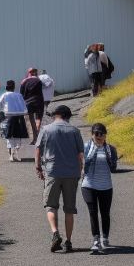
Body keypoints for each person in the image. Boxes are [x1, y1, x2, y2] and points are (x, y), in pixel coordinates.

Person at [35, 105, 84, 252]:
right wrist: (79, 171)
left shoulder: (46, 129)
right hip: (71, 173)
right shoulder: (74, 131)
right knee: (69, 209)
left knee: (51, 205)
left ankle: (55, 233)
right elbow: (80, 154)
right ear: (68, 116)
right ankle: (68, 241)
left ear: (56, 115)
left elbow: (38, 149)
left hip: (53, 171)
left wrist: (38, 168)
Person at [81, 122, 118, 253]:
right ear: (92, 134)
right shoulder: (85, 147)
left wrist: (111, 160)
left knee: (105, 213)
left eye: (102, 134)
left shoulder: (111, 149)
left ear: (105, 135)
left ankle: (105, 239)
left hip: (106, 186)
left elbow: (113, 169)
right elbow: (80, 164)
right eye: (96, 133)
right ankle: (96, 240)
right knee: (93, 212)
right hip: (88, 185)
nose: (99, 136)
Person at [0, 80, 28, 160]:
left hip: (7, 116)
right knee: (18, 134)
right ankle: (17, 150)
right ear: (14, 87)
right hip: (19, 116)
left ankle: (11, 151)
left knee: (8, 135)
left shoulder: (4, 95)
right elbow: (23, 106)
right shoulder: (19, 95)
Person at [20, 67, 45, 142]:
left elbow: (22, 94)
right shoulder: (39, 81)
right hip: (39, 101)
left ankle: (34, 137)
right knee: (38, 118)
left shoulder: (24, 81)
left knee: (31, 119)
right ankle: (37, 131)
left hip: (28, 102)